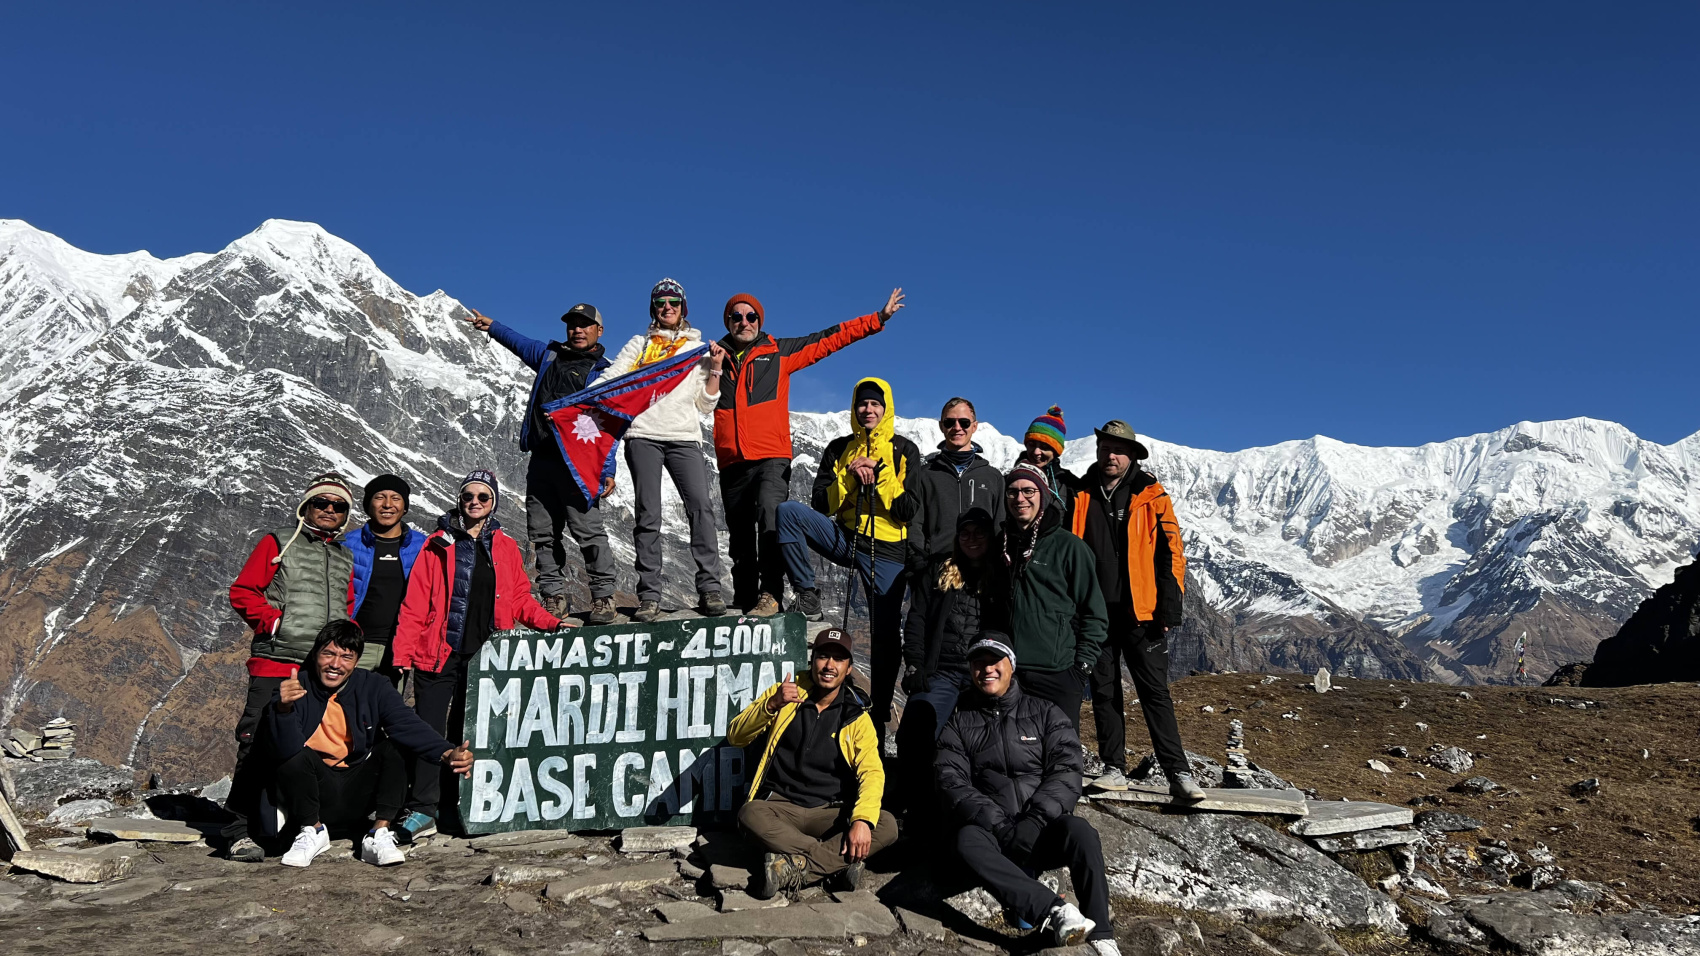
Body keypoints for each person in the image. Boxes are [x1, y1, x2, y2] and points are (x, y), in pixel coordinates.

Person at [714, 289, 905, 615]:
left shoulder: (780, 352)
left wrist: (876, 319)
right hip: (732, 459)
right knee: (740, 536)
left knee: (770, 519)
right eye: (736, 316)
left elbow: (829, 339)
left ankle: (771, 594)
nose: (744, 322)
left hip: (771, 456)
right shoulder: (713, 358)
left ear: (760, 321)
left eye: (751, 316)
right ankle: (744, 599)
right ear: (728, 322)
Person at [391, 469, 561, 837]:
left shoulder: (506, 547)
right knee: (429, 729)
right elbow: (415, 604)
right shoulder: (437, 545)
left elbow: (519, 599)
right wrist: (402, 654)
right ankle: (422, 808)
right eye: (468, 496)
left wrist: (551, 624)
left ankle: (458, 804)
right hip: (437, 652)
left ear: (493, 502)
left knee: (471, 731)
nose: (475, 502)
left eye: (483, 497)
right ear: (459, 500)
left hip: (485, 656)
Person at [936, 636, 1118, 955]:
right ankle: (1055, 911)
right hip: (994, 834)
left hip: (1041, 830)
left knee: (1082, 833)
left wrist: (1035, 820)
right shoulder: (959, 720)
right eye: (979, 662)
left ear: (1011, 666)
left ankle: (1102, 934)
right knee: (966, 841)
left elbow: (1067, 770)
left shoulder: (1045, 712)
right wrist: (998, 825)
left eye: (995, 661)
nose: (987, 669)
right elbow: (951, 779)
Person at [772, 377, 920, 741]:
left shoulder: (905, 450)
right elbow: (822, 504)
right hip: (847, 538)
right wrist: (852, 479)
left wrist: (879, 478)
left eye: (875, 405)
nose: (868, 410)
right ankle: (807, 594)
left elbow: (908, 510)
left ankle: (879, 712)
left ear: (886, 409)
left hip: (887, 550)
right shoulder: (839, 448)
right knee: (789, 512)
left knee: (885, 636)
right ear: (855, 409)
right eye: (862, 405)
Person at [222, 472, 359, 862]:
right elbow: (243, 590)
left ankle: (291, 826)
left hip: (320, 669)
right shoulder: (279, 542)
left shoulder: (342, 555)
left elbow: (345, 607)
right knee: (255, 741)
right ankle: (235, 830)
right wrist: (274, 621)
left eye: (338, 506)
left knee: (300, 746)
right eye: (321, 503)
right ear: (307, 507)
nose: (329, 510)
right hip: (276, 661)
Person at [267, 621, 477, 868]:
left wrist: (446, 752)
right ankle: (312, 830)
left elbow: (406, 724)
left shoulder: (373, 686)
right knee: (295, 754)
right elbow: (283, 751)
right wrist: (283, 709)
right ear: (315, 655)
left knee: (395, 747)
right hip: (312, 793)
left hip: (357, 789)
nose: (335, 664)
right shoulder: (294, 688)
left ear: (356, 662)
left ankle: (378, 833)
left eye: (346, 657)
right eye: (328, 654)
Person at [1070, 421, 1201, 800]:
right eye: (1105, 447)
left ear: (1132, 456)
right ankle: (1113, 768)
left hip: (1142, 613)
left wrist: (1169, 608)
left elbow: (1172, 553)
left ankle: (1178, 772)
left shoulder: (1151, 494)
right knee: (1105, 691)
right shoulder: (1082, 493)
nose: (1110, 455)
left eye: (1118, 449)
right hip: (1095, 612)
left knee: (1154, 692)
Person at [465, 302, 618, 625]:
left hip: (578, 465)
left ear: (598, 331)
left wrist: (607, 469)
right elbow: (518, 342)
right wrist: (491, 325)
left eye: (584, 325)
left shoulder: (605, 373)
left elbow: (608, 426)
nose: (577, 329)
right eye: (572, 324)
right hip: (542, 459)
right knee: (542, 532)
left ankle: (604, 597)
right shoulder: (549, 356)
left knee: (588, 532)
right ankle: (553, 595)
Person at [592, 278, 728, 621]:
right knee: (648, 514)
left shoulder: (695, 349)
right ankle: (649, 595)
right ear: (653, 308)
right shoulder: (639, 345)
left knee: (701, 507)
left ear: (683, 308)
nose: (667, 309)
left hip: (684, 435)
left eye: (674, 303)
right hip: (643, 434)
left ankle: (710, 589)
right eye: (661, 304)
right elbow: (613, 377)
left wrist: (716, 370)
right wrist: (583, 399)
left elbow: (706, 404)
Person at [728, 628, 898, 899]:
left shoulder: (855, 716)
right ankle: (832, 864)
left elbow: (872, 772)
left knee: (886, 824)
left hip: (828, 811)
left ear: (849, 668)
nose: (829, 666)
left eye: (838, 660)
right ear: (812, 660)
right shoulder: (786, 693)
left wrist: (863, 820)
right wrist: (771, 704)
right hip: (779, 807)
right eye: (823, 656)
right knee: (749, 815)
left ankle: (795, 866)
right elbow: (736, 735)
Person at [896, 507, 1004, 823]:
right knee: (916, 726)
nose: (972, 539)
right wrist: (915, 665)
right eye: (965, 533)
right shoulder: (940, 571)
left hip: (983, 674)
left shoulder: (1000, 575)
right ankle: (913, 808)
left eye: (979, 533)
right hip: (941, 671)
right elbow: (916, 618)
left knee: (985, 740)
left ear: (990, 537)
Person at [999, 463, 1106, 729]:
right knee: (1011, 755)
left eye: (1028, 491)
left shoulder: (1070, 548)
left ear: (1043, 496)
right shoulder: (1001, 544)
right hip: (1009, 672)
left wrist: (1080, 668)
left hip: (1058, 673)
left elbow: (1094, 613)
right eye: (1012, 492)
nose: (1019, 498)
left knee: (1060, 755)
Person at [345, 474, 427, 684]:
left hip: (398, 650)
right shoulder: (347, 544)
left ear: (405, 507)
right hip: (355, 646)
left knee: (387, 713)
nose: (388, 505)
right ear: (368, 505)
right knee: (345, 711)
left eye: (396, 498)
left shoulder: (423, 547)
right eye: (380, 497)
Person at [908, 397, 1004, 572]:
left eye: (964, 422)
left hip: (983, 571)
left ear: (974, 426)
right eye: (950, 422)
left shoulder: (992, 477)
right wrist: (919, 560)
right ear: (941, 426)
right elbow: (916, 523)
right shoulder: (925, 474)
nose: (957, 427)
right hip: (936, 569)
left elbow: (1000, 524)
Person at [1018, 405, 1079, 521]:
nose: (1036, 452)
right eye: (1031, 445)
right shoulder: (1010, 481)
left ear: (1056, 451)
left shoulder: (1069, 485)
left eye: (1044, 447)